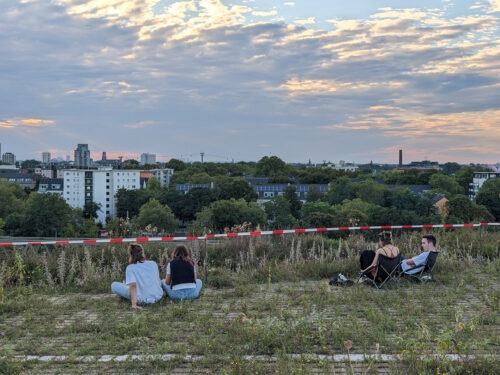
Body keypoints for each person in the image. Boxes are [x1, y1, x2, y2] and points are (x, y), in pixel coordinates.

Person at [111, 243, 164, 309]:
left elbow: (133, 286)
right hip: (157, 296)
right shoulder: (153, 264)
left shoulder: (130, 268)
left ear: (131, 254)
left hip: (141, 299)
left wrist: (134, 304)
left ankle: (126, 289)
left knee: (114, 285)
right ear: (142, 253)